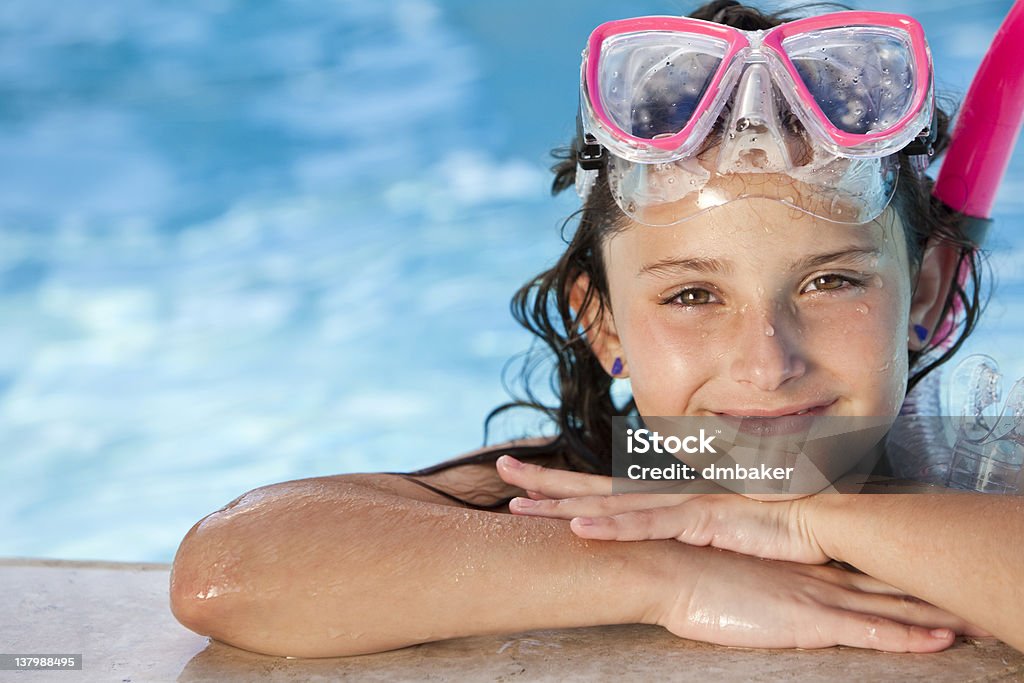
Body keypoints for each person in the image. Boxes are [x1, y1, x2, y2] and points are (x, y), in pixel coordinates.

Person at [169, 0, 1024, 657]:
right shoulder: (605, 494)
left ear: (925, 291)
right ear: (604, 324)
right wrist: (666, 575)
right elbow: (231, 569)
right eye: (692, 295)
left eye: (830, 280)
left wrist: (811, 521)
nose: (767, 363)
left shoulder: (981, 469)